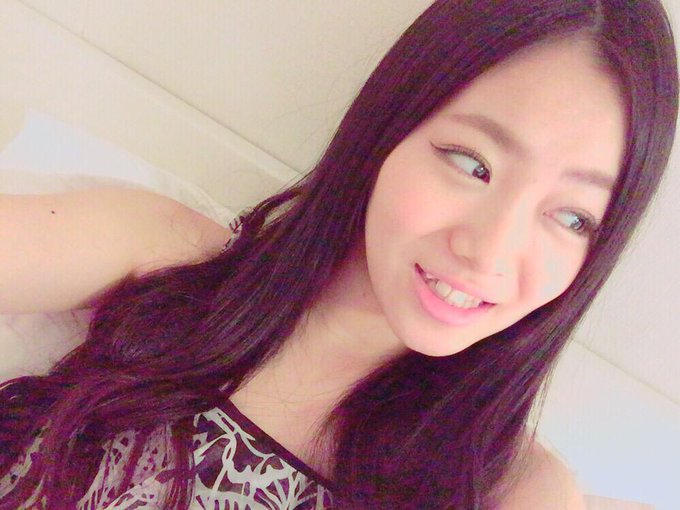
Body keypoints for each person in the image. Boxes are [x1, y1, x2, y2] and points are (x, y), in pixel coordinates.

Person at [0, 0, 677, 508]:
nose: (490, 250)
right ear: (389, 129)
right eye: (472, 164)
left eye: (572, 217)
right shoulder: (166, 254)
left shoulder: (512, 489)